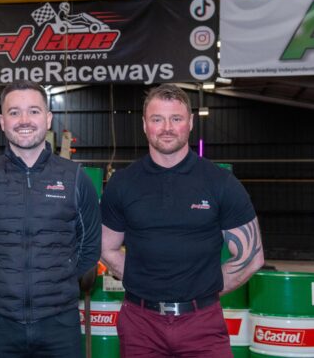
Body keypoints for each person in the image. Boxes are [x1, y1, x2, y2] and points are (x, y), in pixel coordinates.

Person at [100, 83, 264, 358]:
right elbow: (107, 247)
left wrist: (202, 290)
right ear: (144, 124)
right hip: (140, 324)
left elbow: (252, 256)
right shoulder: (122, 183)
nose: (167, 127)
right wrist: (144, 282)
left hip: (202, 324)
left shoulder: (220, 182)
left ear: (190, 123)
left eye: (176, 118)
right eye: (157, 119)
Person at [0, 80, 101, 358]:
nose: (24, 120)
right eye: (14, 112)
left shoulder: (75, 179)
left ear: (48, 119)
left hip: (60, 324)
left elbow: (90, 246)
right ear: (2, 121)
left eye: (33, 111)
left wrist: (58, 281)